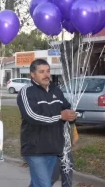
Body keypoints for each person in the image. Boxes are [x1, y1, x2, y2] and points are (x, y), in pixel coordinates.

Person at [17, 59, 77, 187]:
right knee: (44, 184)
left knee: (38, 183)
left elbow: (66, 108)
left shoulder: (56, 90)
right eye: (41, 72)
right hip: (34, 149)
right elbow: (32, 116)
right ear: (32, 74)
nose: (46, 75)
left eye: (48, 71)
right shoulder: (26, 91)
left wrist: (72, 117)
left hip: (54, 148)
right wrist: (60, 116)